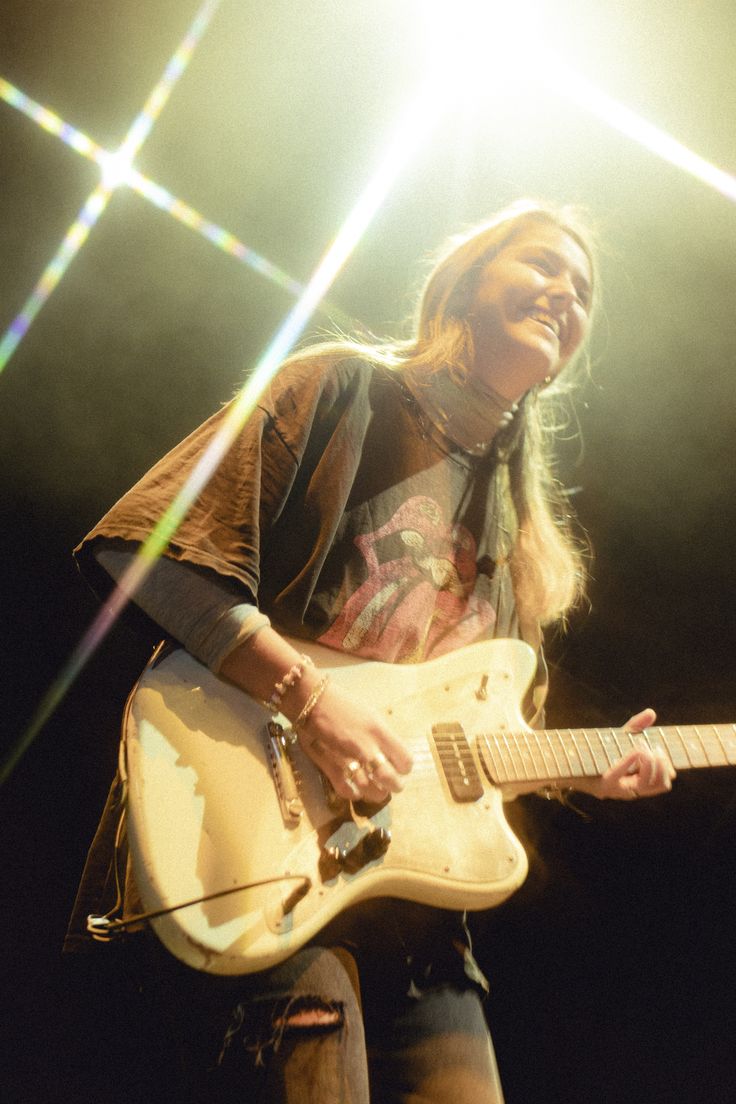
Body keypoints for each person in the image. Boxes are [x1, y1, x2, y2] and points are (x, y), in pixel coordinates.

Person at [66, 199, 675, 1103]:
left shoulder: (522, 537)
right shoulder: (342, 389)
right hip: (262, 859)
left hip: (422, 929)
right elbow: (142, 548)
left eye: (581, 289)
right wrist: (312, 700)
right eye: (540, 265)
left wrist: (578, 773)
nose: (562, 293)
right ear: (465, 286)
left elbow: (455, 754)